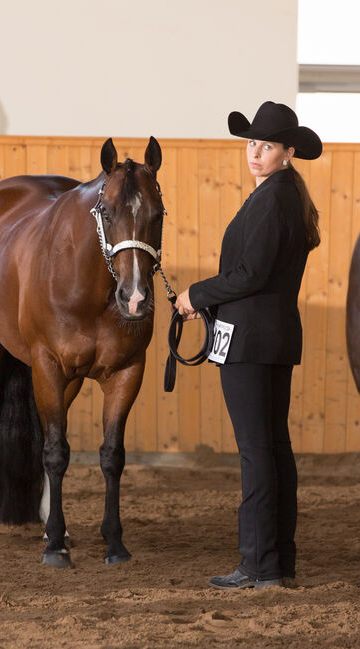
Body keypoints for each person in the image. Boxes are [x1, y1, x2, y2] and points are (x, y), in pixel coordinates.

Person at [175, 101, 322, 590]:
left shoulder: (272, 200)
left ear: (288, 153)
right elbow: (255, 277)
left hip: (251, 342)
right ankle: (278, 561)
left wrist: (196, 294)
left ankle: (259, 565)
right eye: (252, 144)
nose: (255, 152)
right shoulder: (282, 198)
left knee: (257, 453)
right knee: (273, 450)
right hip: (271, 336)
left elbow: (250, 274)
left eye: (267, 146)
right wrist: (210, 301)